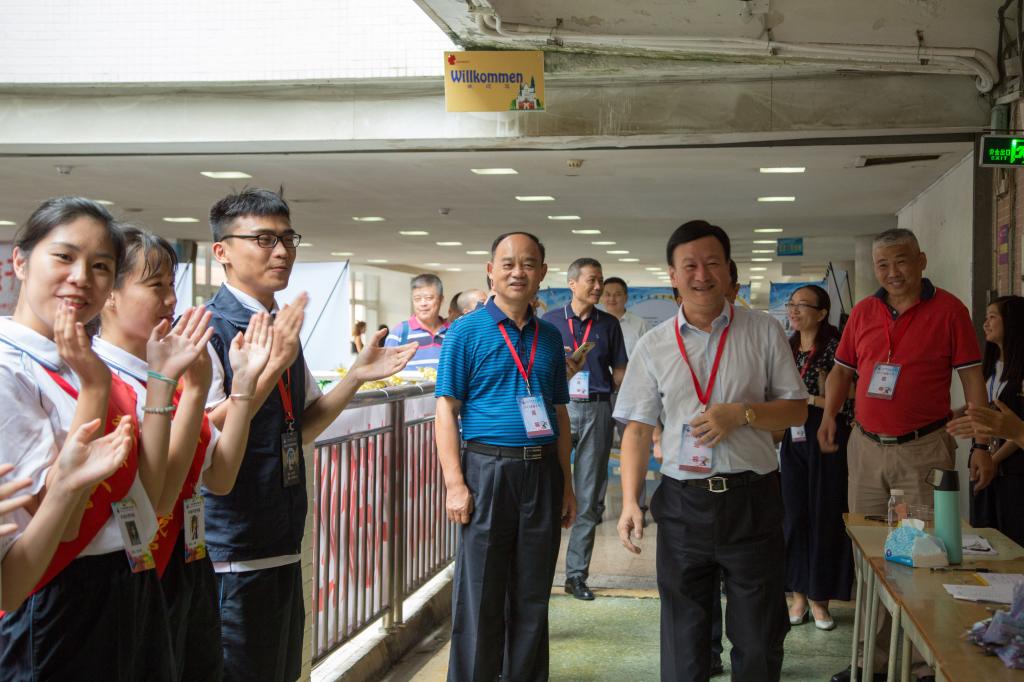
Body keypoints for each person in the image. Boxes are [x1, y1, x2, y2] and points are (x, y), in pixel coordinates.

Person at [201, 188, 416, 682]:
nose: (281, 251)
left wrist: (356, 376)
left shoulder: (279, 327)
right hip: (232, 546)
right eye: (263, 239)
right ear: (222, 251)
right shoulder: (209, 330)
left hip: (282, 534)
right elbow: (205, 437)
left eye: (287, 239)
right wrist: (267, 369)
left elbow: (302, 426)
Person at [0, 196, 200, 680]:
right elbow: (63, 526)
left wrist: (164, 381)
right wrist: (95, 389)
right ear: (20, 262)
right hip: (55, 599)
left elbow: (151, 503)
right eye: (64, 256)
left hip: (125, 577)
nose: (81, 277)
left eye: (100, 266)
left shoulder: (80, 364)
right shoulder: (11, 371)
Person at [616, 219, 807, 682]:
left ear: (727, 269)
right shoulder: (653, 345)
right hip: (684, 504)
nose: (702, 275)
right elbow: (637, 430)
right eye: (690, 266)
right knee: (684, 640)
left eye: (712, 263)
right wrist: (629, 502)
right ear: (673, 275)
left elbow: (796, 410)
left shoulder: (763, 330)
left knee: (759, 637)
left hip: (752, 500)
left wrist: (743, 414)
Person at [95, 226, 274, 680]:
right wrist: (191, 391)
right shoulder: (97, 384)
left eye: (171, 287)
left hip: (186, 561)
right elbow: (155, 500)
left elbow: (221, 477)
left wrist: (243, 386)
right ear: (109, 294)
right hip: (124, 574)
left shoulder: (168, 378)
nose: (171, 301)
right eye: (155, 286)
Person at [819, 227, 994, 682]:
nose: (892, 272)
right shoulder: (864, 311)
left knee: (923, 556)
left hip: (923, 450)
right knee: (869, 557)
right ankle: (871, 662)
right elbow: (841, 372)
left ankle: (921, 665)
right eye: (883, 264)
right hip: (866, 448)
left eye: (900, 261)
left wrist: (981, 443)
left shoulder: (950, 310)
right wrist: (829, 416)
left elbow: (972, 380)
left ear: (921, 260)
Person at [435, 231, 576, 682]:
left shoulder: (549, 336)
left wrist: (567, 484)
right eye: (509, 263)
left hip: (542, 472)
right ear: (490, 271)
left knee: (533, 592)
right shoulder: (465, 331)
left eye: (529, 263)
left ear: (543, 273)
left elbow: (558, 413)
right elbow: (446, 409)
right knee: (481, 591)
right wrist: (455, 483)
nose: (519, 272)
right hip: (487, 470)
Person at [542, 257, 627, 601]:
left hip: (597, 408)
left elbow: (619, 371)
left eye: (600, 280)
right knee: (548, 491)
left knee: (589, 495)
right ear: (572, 283)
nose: (598, 287)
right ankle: (541, 572)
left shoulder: (609, 324)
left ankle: (576, 575)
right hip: (557, 407)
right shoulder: (548, 323)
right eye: (592, 280)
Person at [779, 285, 853, 632]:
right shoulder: (786, 348)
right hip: (792, 438)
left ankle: (820, 599)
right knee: (794, 515)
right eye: (791, 304)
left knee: (824, 515)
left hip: (827, 436)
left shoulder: (837, 350)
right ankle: (797, 594)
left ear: (822, 313)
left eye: (802, 305)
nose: (793, 311)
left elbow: (850, 398)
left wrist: (809, 400)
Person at [947, 296, 1024, 545]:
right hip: (982, 461)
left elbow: (1015, 426)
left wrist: (994, 459)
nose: (985, 324)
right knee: (984, 538)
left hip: (1011, 470)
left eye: (992, 317)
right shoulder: (988, 367)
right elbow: (986, 409)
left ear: (1012, 322)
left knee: (1012, 539)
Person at [385, 273, 449, 370]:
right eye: (417, 299)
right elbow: (387, 369)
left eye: (428, 298)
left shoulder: (453, 332)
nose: (423, 304)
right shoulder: (400, 332)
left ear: (441, 300)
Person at [600, 276, 650, 358]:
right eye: (607, 294)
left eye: (617, 294)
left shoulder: (641, 325)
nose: (612, 298)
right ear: (601, 297)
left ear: (626, 297)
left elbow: (650, 354)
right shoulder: (594, 324)